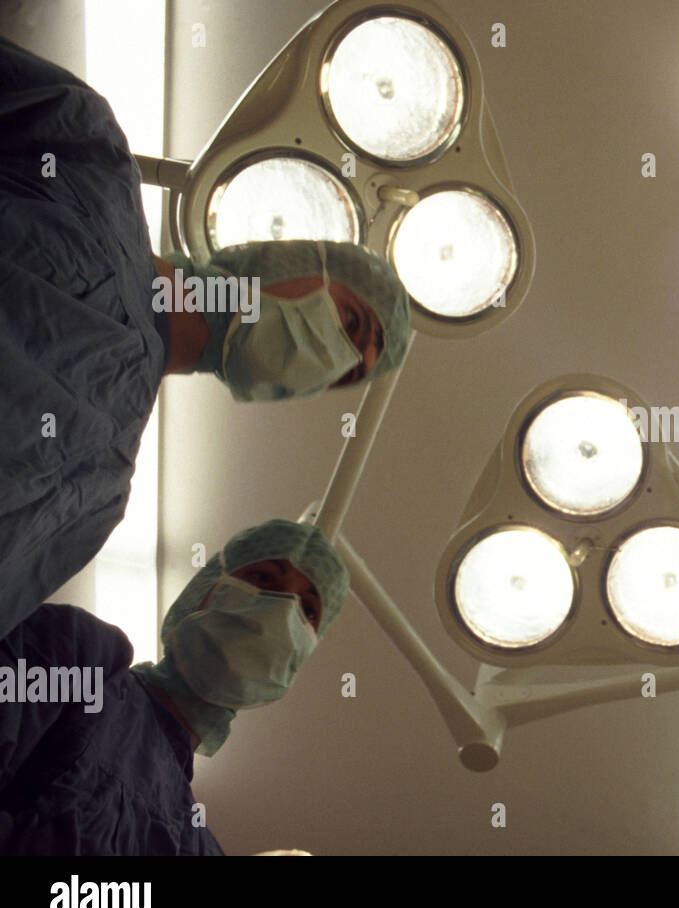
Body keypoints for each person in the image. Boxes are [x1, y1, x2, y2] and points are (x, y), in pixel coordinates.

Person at [0, 36, 410, 640]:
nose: (333, 357)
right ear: (297, 255)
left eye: (346, 372)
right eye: (350, 324)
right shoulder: (89, 156)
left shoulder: (98, 493)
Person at [0, 519, 347, 854]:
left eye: (307, 608)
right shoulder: (84, 658)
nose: (280, 610)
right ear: (204, 589)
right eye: (262, 577)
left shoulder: (195, 843)